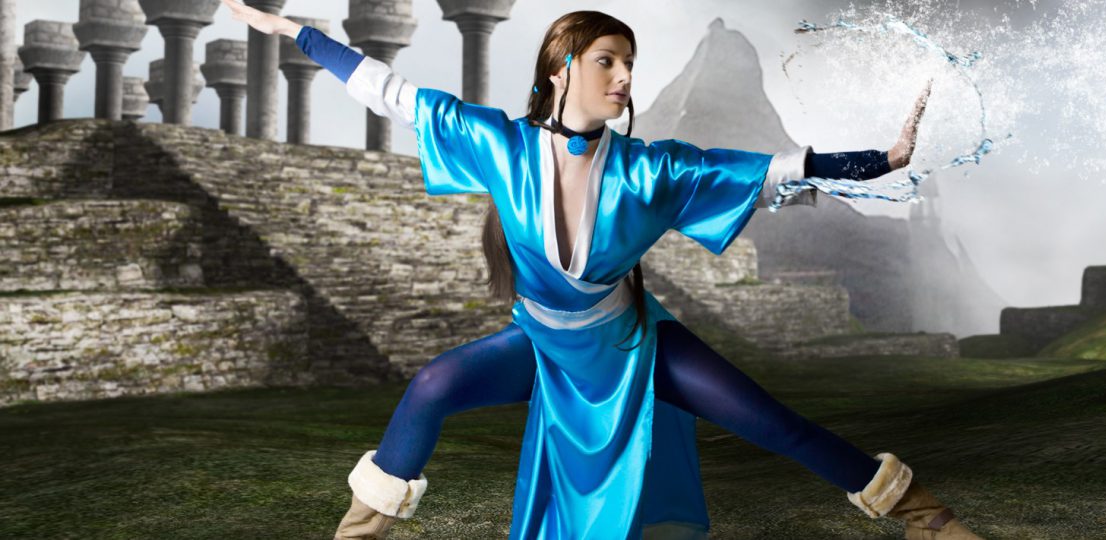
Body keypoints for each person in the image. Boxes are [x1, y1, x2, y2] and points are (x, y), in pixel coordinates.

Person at [222, 2, 981, 539]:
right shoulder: (497, 144)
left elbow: (777, 172)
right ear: (562, 69)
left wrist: (885, 158)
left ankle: (927, 519)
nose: (623, 78)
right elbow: (385, 89)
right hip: (543, 344)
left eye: (629, 65)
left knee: (772, 423)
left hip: (632, 346)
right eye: (606, 62)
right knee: (433, 386)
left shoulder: (654, 170)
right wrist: (294, 31)